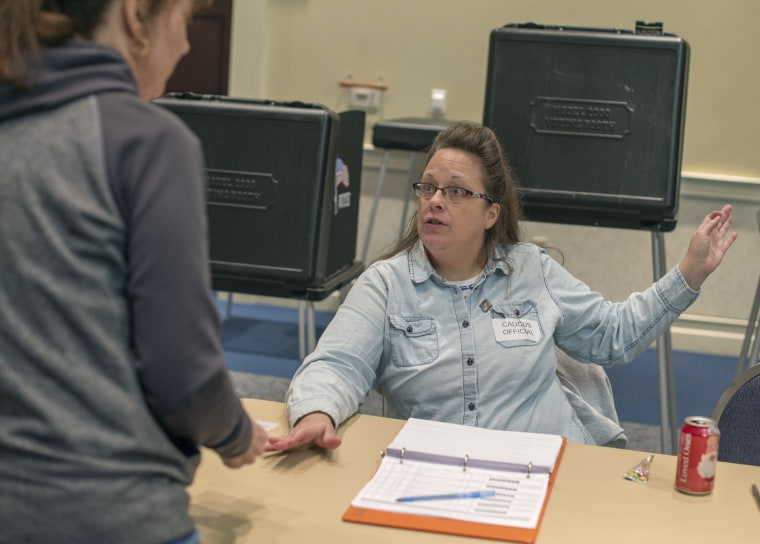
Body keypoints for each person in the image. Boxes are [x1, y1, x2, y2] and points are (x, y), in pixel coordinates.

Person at [265, 121, 737, 454]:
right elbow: (336, 365)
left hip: (546, 470)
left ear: (491, 213)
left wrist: (689, 271)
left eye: (455, 191)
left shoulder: (530, 270)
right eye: (427, 188)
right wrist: (316, 414)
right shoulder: (386, 285)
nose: (434, 201)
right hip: (437, 473)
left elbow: (613, 334)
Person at [0, 1, 267, 543]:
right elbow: (182, 373)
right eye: (184, 20)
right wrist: (238, 434)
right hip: (109, 510)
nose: (188, 45)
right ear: (136, 16)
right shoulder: (146, 140)